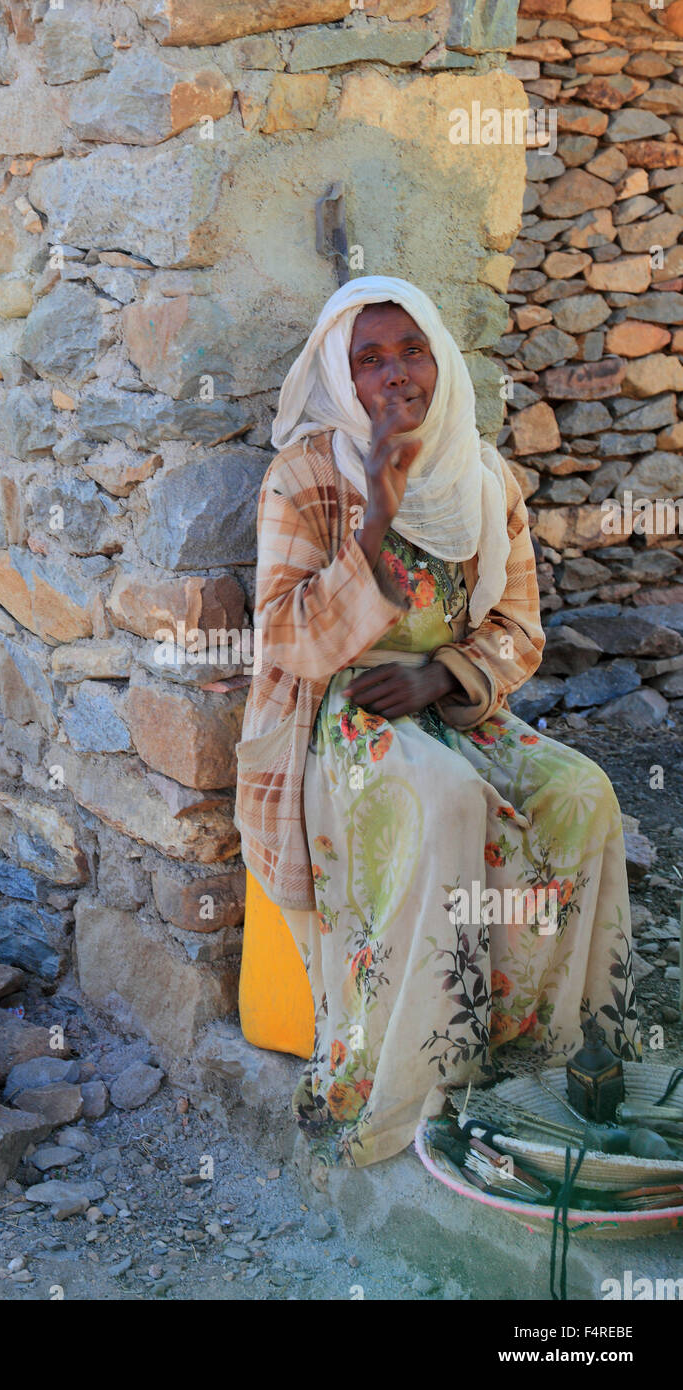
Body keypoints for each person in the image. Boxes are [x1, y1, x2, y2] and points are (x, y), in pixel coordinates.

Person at [233, 275, 641, 1169]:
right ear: (342, 379)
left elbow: (518, 627)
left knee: (582, 792)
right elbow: (288, 640)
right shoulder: (306, 476)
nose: (393, 376)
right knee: (445, 800)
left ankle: (539, 1051)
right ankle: (408, 1079)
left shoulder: (481, 475)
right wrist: (375, 515)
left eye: (409, 350)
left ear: (439, 361)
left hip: (444, 699)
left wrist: (443, 677)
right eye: (367, 359)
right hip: (335, 709)